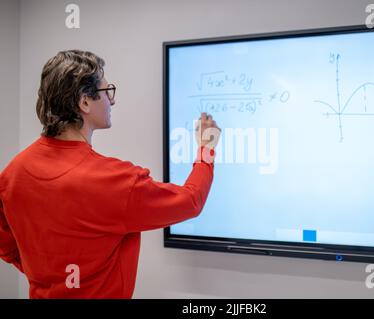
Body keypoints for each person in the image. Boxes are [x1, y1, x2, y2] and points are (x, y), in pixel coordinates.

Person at [0, 50, 221, 298]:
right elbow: (190, 201)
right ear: (84, 102)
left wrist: (48, 276)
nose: (112, 101)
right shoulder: (113, 181)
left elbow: (7, 247)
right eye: (107, 92)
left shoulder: (12, 173)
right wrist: (206, 149)